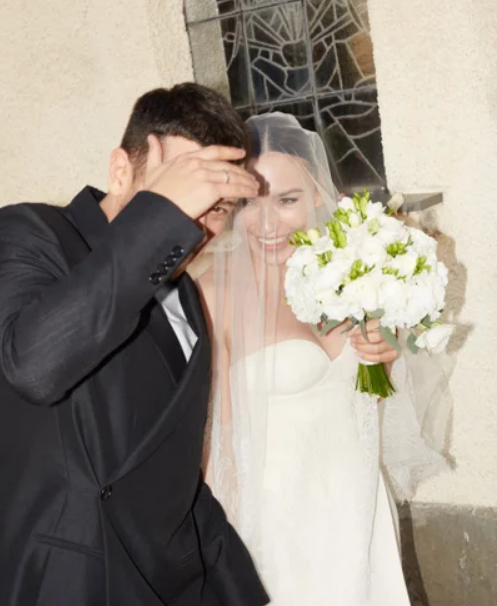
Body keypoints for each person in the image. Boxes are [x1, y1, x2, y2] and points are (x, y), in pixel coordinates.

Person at [0, 83, 269, 606]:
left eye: (219, 206)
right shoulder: (31, 232)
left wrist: (233, 586)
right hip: (66, 580)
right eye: (185, 192)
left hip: (164, 580)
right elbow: (33, 367)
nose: (197, 224)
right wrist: (163, 215)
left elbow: (172, 469)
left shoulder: (186, 298)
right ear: (120, 171)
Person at [198, 113, 452, 605]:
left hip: (357, 503)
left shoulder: (357, 271)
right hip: (277, 526)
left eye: (286, 200)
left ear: (318, 192)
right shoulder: (213, 294)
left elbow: (372, 400)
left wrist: (387, 355)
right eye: (250, 202)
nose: (267, 222)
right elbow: (215, 441)